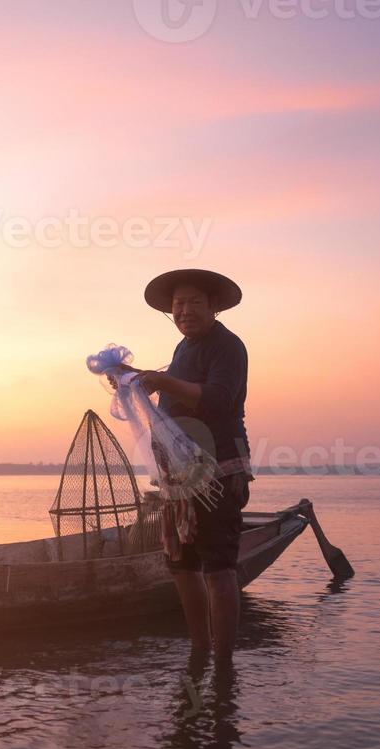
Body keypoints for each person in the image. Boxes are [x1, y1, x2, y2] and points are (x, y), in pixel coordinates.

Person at [130, 269, 252, 664]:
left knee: (218, 568)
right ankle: (199, 650)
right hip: (179, 480)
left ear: (214, 306)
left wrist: (162, 382)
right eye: (178, 304)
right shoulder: (182, 349)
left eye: (194, 302)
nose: (184, 310)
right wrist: (137, 380)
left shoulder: (228, 346)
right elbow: (170, 389)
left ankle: (223, 661)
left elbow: (216, 400)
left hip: (219, 472)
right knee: (182, 566)